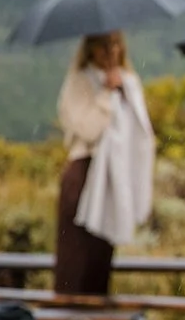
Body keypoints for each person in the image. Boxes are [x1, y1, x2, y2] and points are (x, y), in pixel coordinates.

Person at [55, 31, 155, 296]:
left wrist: (120, 89)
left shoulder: (129, 83)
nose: (110, 51)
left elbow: (140, 133)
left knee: (100, 263)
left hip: (114, 177)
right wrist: (105, 95)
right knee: (75, 262)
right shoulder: (79, 82)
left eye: (114, 44)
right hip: (84, 173)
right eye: (103, 45)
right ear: (90, 49)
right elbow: (89, 129)